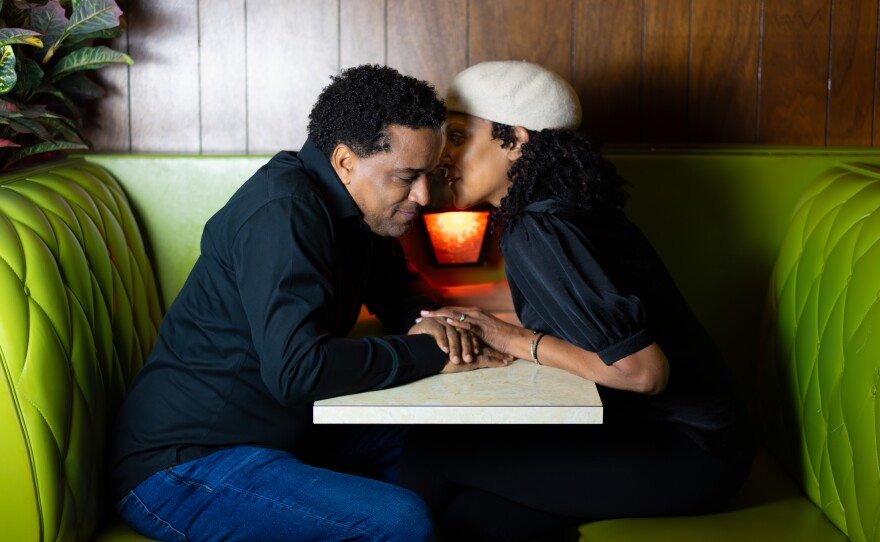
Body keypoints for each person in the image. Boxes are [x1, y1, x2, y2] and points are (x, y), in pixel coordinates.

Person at [109, 64, 510, 542]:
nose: (424, 195)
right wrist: (431, 351)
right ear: (345, 161)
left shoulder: (366, 209)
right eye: (408, 176)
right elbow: (297, 369)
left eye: (430, 174)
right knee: (401, 521)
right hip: (183, 468)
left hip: (289, 436)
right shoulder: (285, 212)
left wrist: (434, 321)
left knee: (453, 448)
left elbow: (398, 289)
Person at [400, 60, 756, 541]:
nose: (444, 157)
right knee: (476, 519)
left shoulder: (542, 227)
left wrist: (513, 338)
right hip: (697, 444)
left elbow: (643, 373)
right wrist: (489, 327)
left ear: (516, 141)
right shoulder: (564, 211)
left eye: (460, 137)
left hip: (691, 452)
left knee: (430, 450)